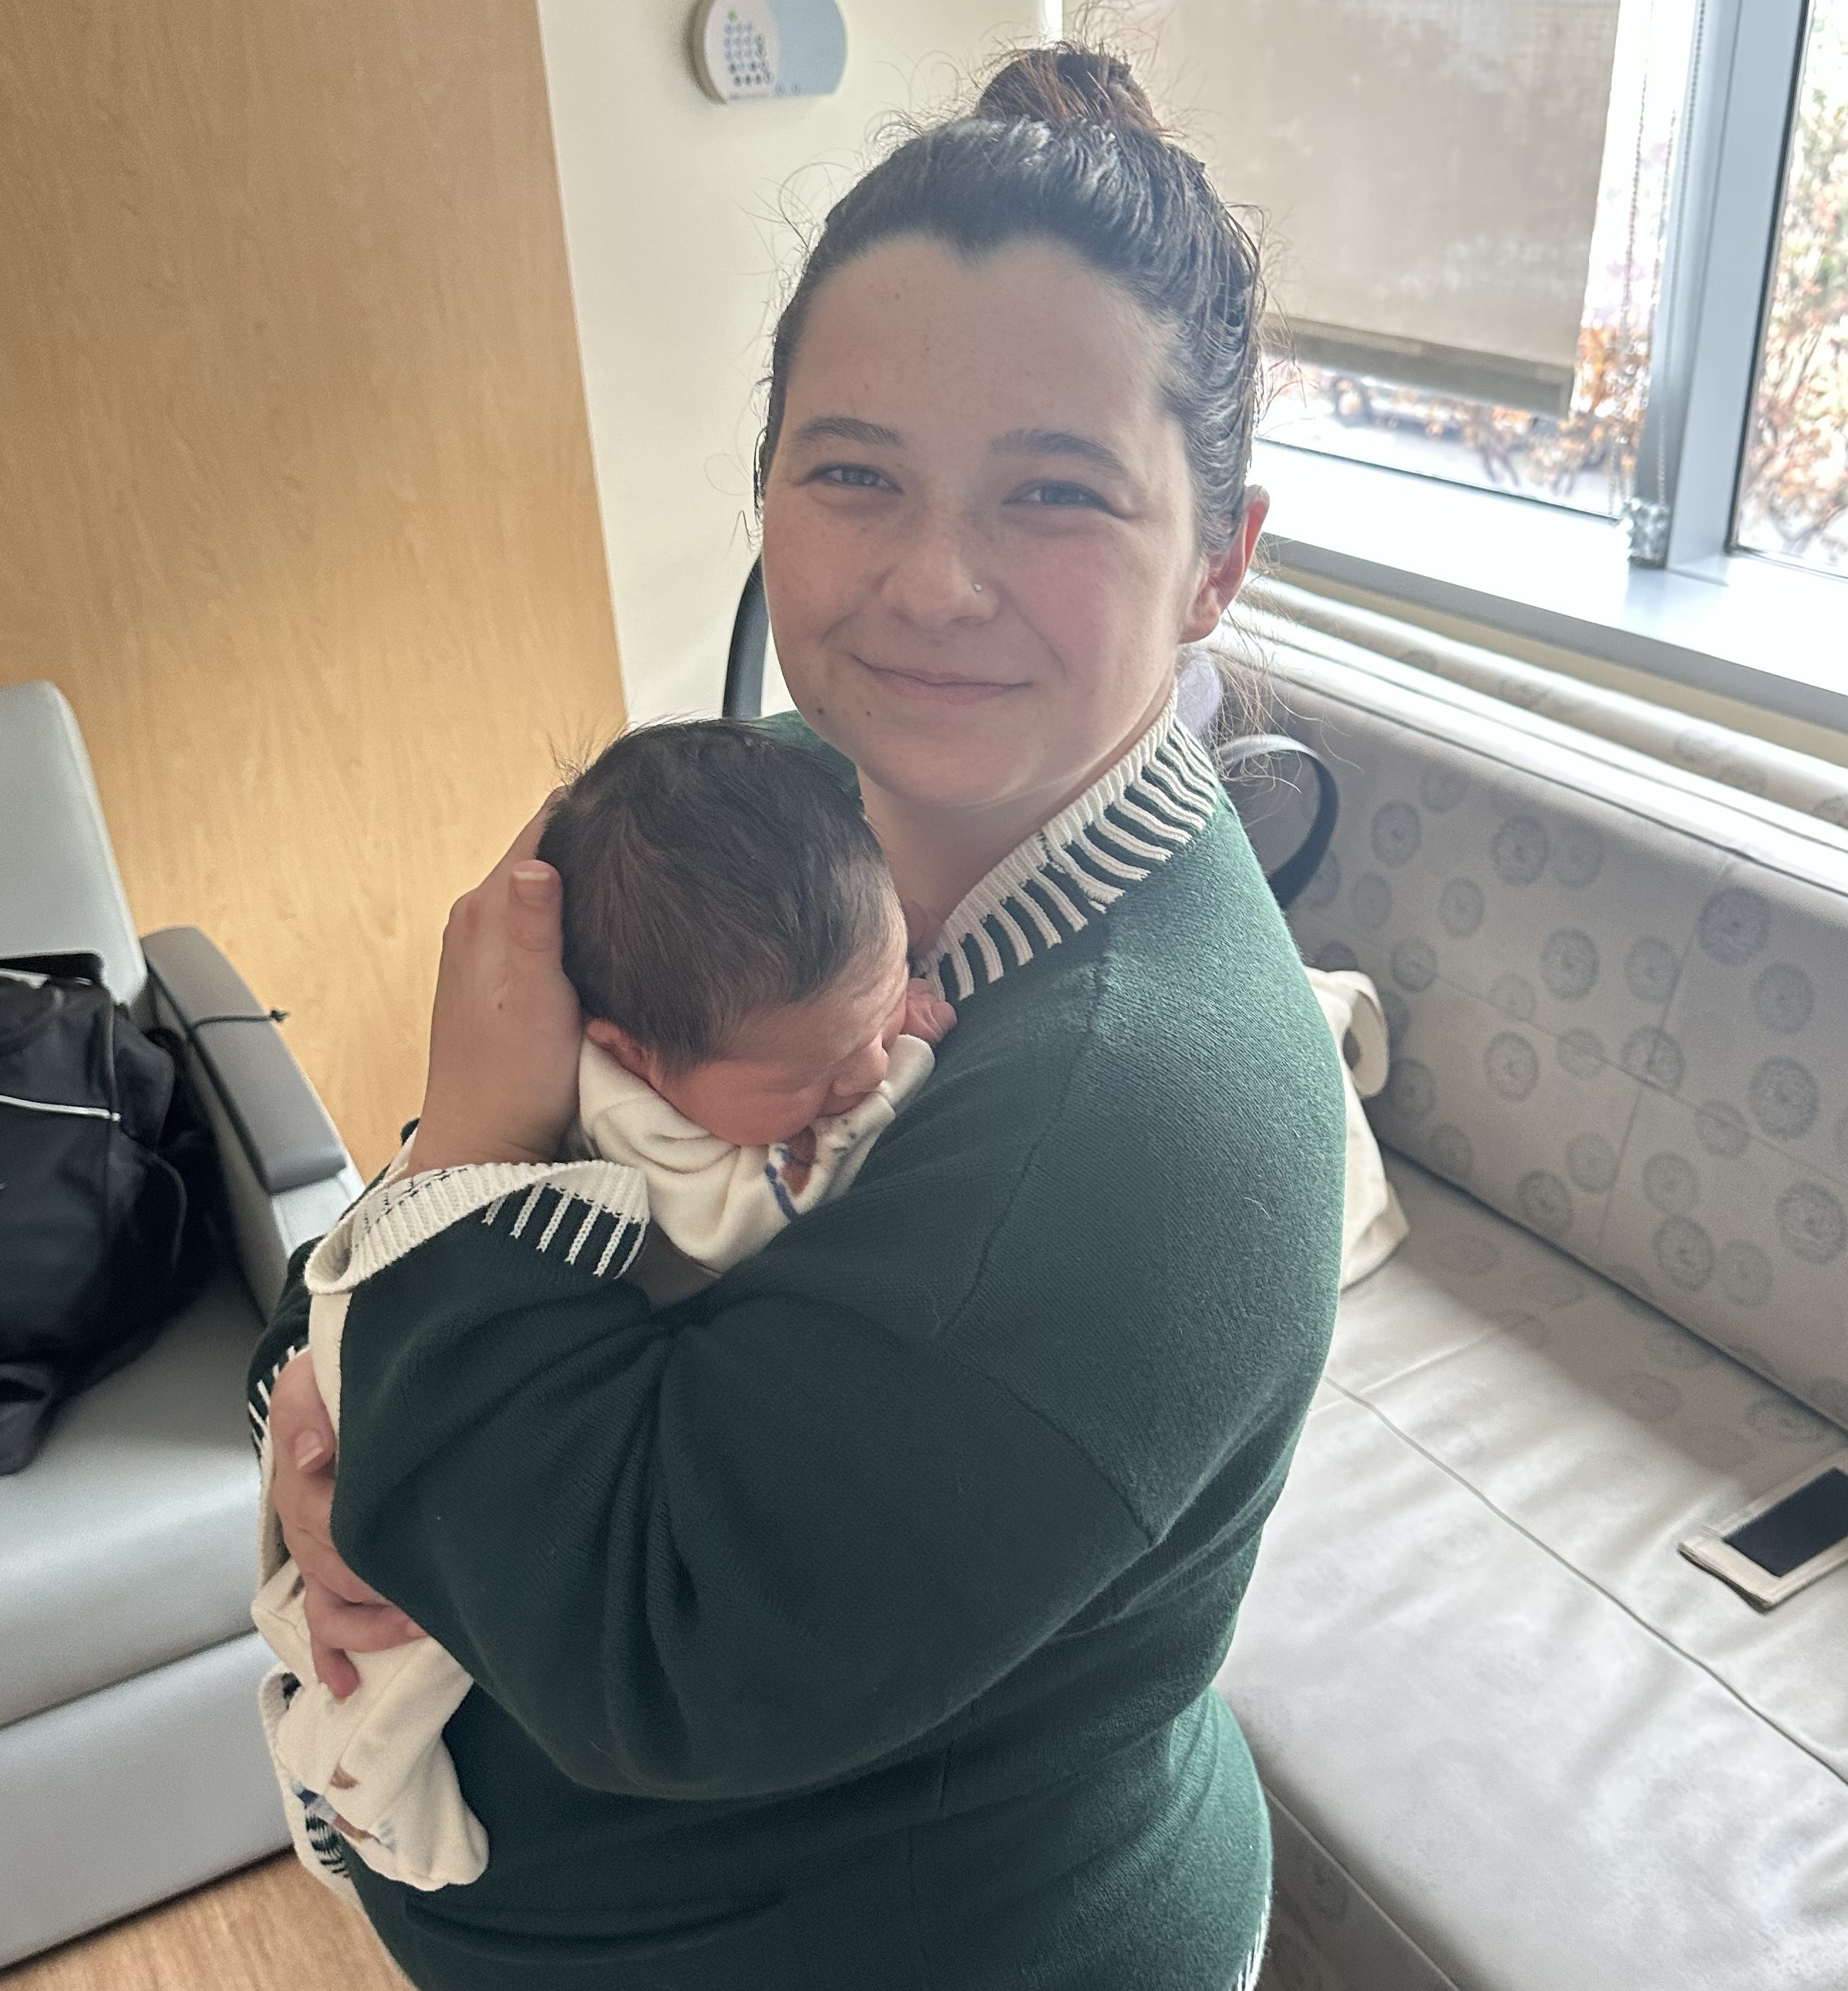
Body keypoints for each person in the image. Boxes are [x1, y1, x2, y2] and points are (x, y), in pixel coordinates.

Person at [253, 42, 1346, 1989]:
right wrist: (316, 1441)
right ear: (764, 490)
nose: (931, 581)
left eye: (1056, 492)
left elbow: (661, 1647)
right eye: (854, 472)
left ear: (1219, 564)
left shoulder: (1143, 1116)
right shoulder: (743, 804)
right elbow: (395, 1232)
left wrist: (461, 1220)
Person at [250, 723, 955, 1896]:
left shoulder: (744, 943)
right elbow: (755, 1213)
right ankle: (346, 1786)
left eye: (879, 1012)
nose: (863, 1078)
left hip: (434, 1329)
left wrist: (870, 1016)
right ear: (632, 1053)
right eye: (809, 1078)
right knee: (399, 1652)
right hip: (407, 1364)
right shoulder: (643, 1118)